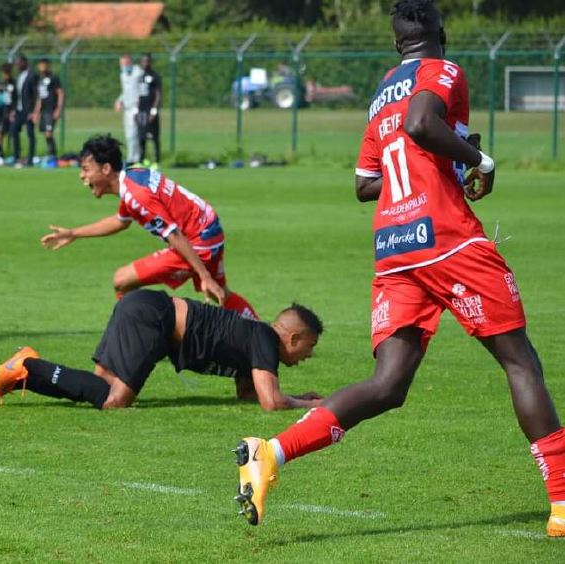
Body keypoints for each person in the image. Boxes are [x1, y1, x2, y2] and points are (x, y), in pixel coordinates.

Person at [233, 0, 565, 538]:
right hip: (446, 240)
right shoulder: (444, 70)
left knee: (388, 385)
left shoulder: (380, 93)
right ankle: (564, 503)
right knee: (520, 361)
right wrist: (481, 161)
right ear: (443, 33)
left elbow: (365, 184)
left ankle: (270, 452)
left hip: (395, 245)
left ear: (395, 44)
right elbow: (420, 122)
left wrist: (452, 159)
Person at [0, 289, 323, 410]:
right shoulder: (263, 338)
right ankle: (28, 363)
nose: (309, 356)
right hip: (154, 318)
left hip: (146, 309)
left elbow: (250, 395)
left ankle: (18, 378)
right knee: (114, 400)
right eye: (309, 347)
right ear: (293, 338)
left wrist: (290, 394)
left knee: (98, 391)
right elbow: (270, 403)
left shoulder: (255, 341)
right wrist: (311, 404)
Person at [41, 134, 258, 320]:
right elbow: (120, 221)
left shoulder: (136, 195)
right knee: (220, 294)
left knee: (121, 281)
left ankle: (141, 335)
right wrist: (74, 233)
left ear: (106, 169)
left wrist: (204, 275)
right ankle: (266, 337)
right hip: (209, 230)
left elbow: (173, 234)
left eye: (86, 169)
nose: (82, 176)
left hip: (197, 240)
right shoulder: (134, 176)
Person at [31, 58, 63, 166]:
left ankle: (53, 155)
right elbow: (39, 98)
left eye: (44, 65)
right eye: (40, 65)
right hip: (43, 111)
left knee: (49, 133)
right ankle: (50, 154)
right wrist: (36, 112)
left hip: (51, 109)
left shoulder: (53, 78)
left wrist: (58, 108)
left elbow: (60, 93)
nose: (42, 67)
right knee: (45, 133)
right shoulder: (39, 79)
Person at [114, 53, 143, 164]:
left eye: (125, 63)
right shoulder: (123, 74)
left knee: (133, 134)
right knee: (128, 134)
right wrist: (119, 100)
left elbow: (141, 90)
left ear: (130, 62)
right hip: (126, 108)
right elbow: (126, 91)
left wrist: (139, 105)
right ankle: (133, 157)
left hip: (135, 108)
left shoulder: (138, 72)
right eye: (121, 63)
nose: (123, 65)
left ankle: (133, 159)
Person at [10, 54, 37, 168]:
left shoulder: (32, 76)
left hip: (28, 110)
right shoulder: (18, 76)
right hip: (19, 110)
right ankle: (17, 156)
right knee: (13, 131)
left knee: (30, 133)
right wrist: (14, 109)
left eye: (19, 63)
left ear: (25, 63)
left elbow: (35, 94)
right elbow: (17, 94)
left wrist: (34, 111)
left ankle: (30, 158)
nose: (17, 65)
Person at [136, 53, 162, 164]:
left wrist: (154, 110)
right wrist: (135, 110)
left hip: (150, 111)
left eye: (147, 61)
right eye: (143, 61)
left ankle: (157, 160)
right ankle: (141, 160)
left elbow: (158, 93)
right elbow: (138, 94)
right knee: (141, 136)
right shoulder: (140, 77)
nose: (145, 63)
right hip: (141, 111)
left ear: (150, 62)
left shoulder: (155, 76)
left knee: (154, 136)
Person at [0, 62, 17, 167]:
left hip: (11, 112)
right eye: (4, 73)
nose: (6, 75)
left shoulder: (14, 83)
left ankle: (15, 155)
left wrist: (14, 110)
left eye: (7, 73)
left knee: (13, 135)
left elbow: (18, 98)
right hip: (1, 113)